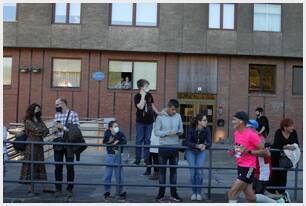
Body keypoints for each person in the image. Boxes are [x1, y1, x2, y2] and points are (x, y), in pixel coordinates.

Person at [227, 111, 280, 203]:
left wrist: (248, 151)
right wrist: (234, 151)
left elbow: (265, 153)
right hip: (240, 166)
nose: (232, 122)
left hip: (248, 168)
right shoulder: (236, 133)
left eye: (234, 120)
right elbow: (240, 148)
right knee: (250, 197)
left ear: (241, 121)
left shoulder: (252, 135)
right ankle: (276, 203)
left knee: (232, 193)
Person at [246, 120, 287, 203]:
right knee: (257, 194)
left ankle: (279, 201)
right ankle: (282, 197)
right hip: (256, 170)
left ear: (253, 128)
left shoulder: (259, 138)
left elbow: (267, 154)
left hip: (263, 171)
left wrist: (250, 152)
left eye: (248, 128)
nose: (246, 130)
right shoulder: (253, 137)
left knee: (256, 195)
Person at [19, 103, 52, 193]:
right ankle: (30, 188)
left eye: (39, 109)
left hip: (39, 145)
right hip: (31, 145)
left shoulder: (39, 120)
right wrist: (41, 131)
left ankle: (45, 186)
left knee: (41, 165)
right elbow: (36, 130)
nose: (38, 110)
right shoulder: (28, 121)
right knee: (30, 164)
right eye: (36, 109)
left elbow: (46, 131)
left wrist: (40, 132)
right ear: (32, 110)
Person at [154, 99, 183, 202]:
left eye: (175, 110)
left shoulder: (178, 116)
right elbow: (156, 132)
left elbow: (181, 130)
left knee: (174, 172)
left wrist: (179, 132)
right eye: (172, 109)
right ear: (168, 107)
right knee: (162, 172)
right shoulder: (160, 116)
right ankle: (160, 195)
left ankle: (174, 194)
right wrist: (167, 133)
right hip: (163, 147)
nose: (174, 111)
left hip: (174, 147)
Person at [53, 98, 80, 197]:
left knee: (70, 166)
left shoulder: (73, 114)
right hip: (58, 142)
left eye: (57, 104)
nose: (56, 106)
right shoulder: (57, 115)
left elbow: (76, 130)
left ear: (63, 103)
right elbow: (54, 130)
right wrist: (55, 129)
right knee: (58, 167)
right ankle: (58, 188)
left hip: (69, 143)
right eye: (55, 105)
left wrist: (63, 127)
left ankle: (70, 188)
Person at [267, 118, 299, 201]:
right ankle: (273, 194)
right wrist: (288, 146)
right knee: (274, 174)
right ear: (285, 127)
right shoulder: (278, 132)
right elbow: (277, 145)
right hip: (275, 156)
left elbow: (296, 144)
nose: (293, 127)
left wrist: (285, 146)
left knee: (283, 175)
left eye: (292, 125)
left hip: (285, 158)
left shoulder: (294, 132)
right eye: (291, 126)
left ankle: (281, 193)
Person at [133, 79, 162, 166]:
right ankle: (137, 159)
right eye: (146, 86)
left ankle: (146, 159)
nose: (148, 87)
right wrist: (143, 96)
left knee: (148, 140)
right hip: (140, 122)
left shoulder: (149, 95)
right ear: (141, 87)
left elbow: (152, 105)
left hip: (150, 121)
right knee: (139, 140)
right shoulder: (137, 96)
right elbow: (140, 107)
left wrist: (158, 112)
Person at [185, 113, 212, 201]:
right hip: (191, 151)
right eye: (204, 120)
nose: (206, 122)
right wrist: (197, 145)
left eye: (206, 120)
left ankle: (199, 193)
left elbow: (209, 142)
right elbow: (187, 142)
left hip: (201, 151)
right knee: (193, 171)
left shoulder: (207, 129)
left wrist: (205, 145)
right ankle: (194, 192)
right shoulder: (191, 129)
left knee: (199, 171)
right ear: (199, 121)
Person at [103, 120, 127, 200]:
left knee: (119, 175)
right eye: (115, 126)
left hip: (118, 155)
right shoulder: (107, 133)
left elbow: (124, 141)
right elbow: (105, 142)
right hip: (110, 155)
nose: (117, 128)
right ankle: (107, 191)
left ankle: (120, 191)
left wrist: (118, 141)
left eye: (117, 126)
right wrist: (111, 141)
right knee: (108, 174)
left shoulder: (120, 133)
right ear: (110, 128)